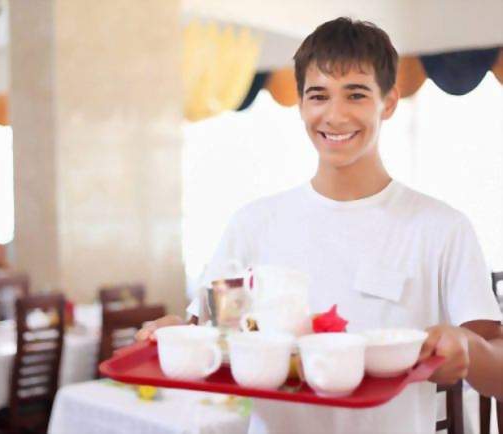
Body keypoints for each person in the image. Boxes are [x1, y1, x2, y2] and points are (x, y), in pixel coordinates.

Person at [136, 17, 503, 434]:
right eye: (318, 95)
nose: (335, 115)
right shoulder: (253, 223)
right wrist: (175, 334)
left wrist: (468, 349)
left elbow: (497, 366)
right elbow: (212, 332)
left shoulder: (441, 228)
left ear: (389, 102)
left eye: (356, 94)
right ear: (301, 104)